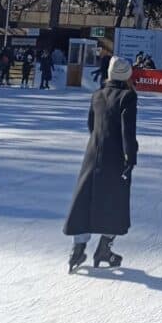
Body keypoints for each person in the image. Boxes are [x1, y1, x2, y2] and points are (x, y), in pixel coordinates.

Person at [63, 56, 138, 273]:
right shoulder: (128, 96)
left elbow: (91, 125)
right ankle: (104, 248)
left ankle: (78, 248)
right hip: (115, 157)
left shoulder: (97, 94)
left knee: (85, 200)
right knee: (115, 202)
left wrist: (97, 145)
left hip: (93, 155)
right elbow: (127, 131)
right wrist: (130, 158)